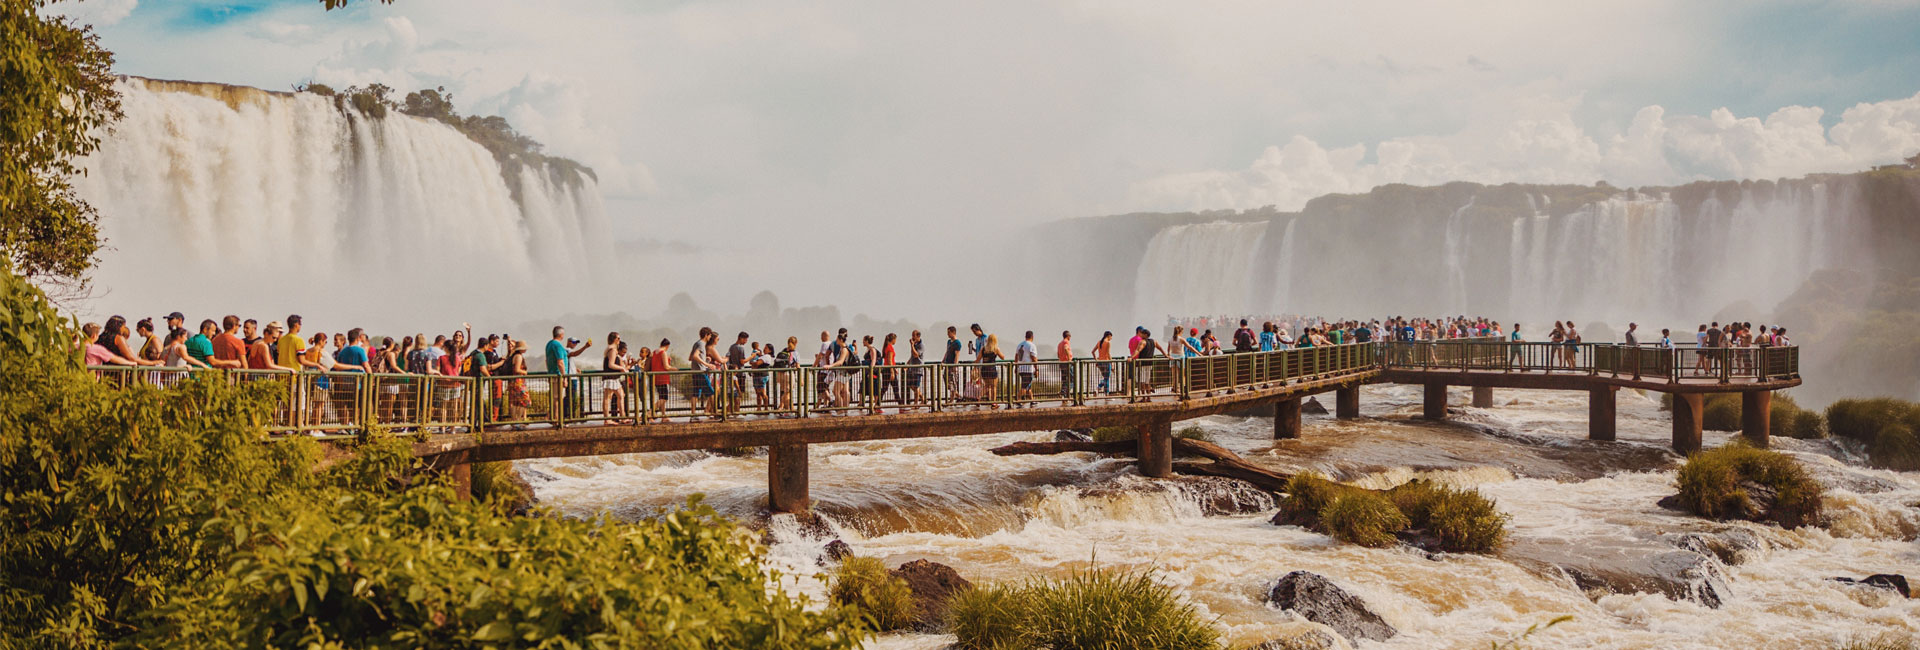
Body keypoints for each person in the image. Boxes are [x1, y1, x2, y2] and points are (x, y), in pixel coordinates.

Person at [546, 326, 592, 419]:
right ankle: (557, 419)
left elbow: (548, 360)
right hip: (559, 375)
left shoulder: (549, 344)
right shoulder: (558, 346)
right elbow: (561, 362)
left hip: (554, 374)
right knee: (558, 398)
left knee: (557, 398)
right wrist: (564, 377)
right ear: (561, 335)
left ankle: (555, 417)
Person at [602, 338, 632, 424]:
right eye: (618, 338)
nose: (619, 339)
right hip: (610, 378)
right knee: (607, 398)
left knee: (621, 395)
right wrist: (622, 368)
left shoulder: (614, 352)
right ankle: (607, 419)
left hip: (615, 378)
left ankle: (623, 417)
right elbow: (611, 364)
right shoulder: (612, 350)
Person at [649, 339, 674, 419]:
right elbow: (666, 366)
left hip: (655, 377)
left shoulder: (654, 352)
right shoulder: (663, 353)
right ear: (667, 346)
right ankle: (650, 412)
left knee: (661, 397)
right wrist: (675, 369)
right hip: (663, 377)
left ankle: (663, 416)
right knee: (664, 398)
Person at [1013, 331, 1038, 405]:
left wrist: (1016, 367)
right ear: (1032, 337)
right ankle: (1018, 399)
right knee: (1025, 386)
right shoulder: (1031, 346)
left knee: (1028, 386)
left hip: (1021, 368)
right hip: (1028, 369)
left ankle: (1032, 401)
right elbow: (1034, 358)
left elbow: (1016, 356)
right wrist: (1036, 369)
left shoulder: (1020, 345)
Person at [979, 334, 1004, 408]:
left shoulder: (983, 349)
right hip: (992, 369)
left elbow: (978, 359)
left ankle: (978, 397)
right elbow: (1002, 357)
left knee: (987, 386)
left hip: (984, 369)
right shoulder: (995, 349)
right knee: (994, 387)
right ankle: (994, 403)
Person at [1056, 331, 1074, 399]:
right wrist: (1069, 359)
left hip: (1061, 363)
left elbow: (1058, 354)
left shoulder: (1059, 344)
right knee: (1072, 380)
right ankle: (1064, 392)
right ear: (1068, 336)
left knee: (1064, 380)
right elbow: (1066, 348)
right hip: (1067, 363)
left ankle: (1064, 394)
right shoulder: (1066, 342)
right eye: (1070, 336)